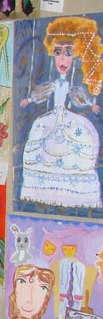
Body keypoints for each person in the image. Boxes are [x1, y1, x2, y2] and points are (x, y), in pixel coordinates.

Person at [20, 16, 103, 208]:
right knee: (41, 141)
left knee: (75, 145)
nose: (63, 58)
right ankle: (42, 188)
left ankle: (73, 192)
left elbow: (78, 96)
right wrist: (30, 99)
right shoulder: (54, 83)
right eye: (58, 52)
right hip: (52, 119)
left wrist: (91, 104)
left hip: (67, 118)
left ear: (76, 55)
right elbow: (43, 92)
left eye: (68, 52)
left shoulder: (70, 85)